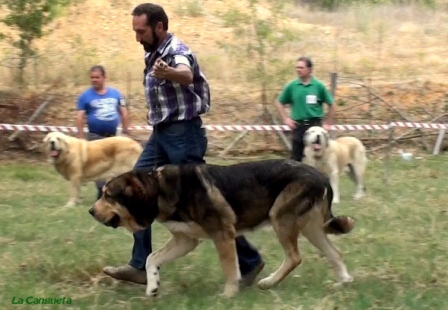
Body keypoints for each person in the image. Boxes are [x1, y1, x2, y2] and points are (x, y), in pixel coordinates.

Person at [102, 2, 265, 287]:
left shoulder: (176, 51)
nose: (137, 37)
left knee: (207, 203)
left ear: (159, 27)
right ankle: (140, 265)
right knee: (134, 189)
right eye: (135, 31)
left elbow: (185, 73)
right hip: (161, 135)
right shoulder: (153, 52)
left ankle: (250, 261)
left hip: (184, 135)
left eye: (141, 31)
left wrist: (170, 74)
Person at [76, 65, 130, 199]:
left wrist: (126, 130)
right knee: (98, 166)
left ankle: (114, 191)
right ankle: (101, 191)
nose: (94, 80)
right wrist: (81, 137)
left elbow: (123, 113)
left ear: (104, 78)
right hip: (95, 137)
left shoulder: (115, 94)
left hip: (112, 138)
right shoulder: (85, 96)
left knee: (114, 166)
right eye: (92, 77)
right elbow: (80, 117)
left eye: (97, 77)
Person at [275, 56, 335, 162]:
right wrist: (286, 119)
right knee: (296, 159)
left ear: (309, 70)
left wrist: (328, 123)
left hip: (315, 125)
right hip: (298, 126)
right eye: (297, 67)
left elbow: (332, 104)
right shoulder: (292, 86)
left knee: (318, 158)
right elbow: (279, 102)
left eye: (301, 68)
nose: (298, 70)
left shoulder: (318, 86)